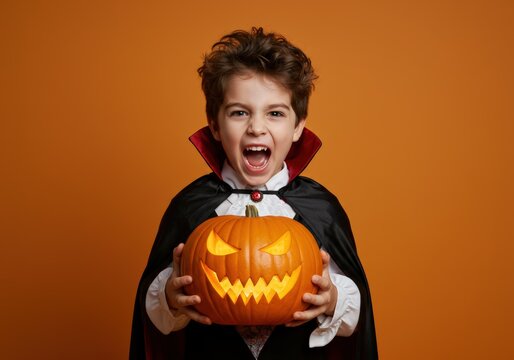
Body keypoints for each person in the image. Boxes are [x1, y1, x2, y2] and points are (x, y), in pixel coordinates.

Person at [130, 27, 378, 359]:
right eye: (239, 112)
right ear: (215, 126)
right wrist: (170, 299)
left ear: (298, 126)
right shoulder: (190, 207)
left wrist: (333, 299)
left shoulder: (321, 208)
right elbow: (155, 317)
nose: (256, 127)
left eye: (275, 113)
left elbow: (355, 318)